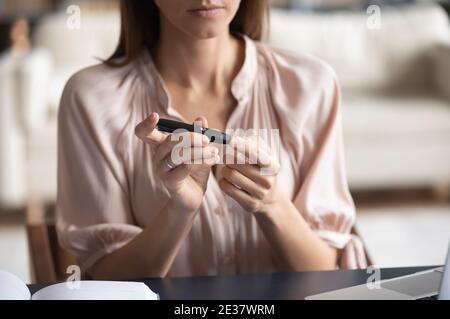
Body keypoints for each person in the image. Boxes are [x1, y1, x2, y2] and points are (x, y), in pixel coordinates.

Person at [56, 0, 367, 280]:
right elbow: (107, 280)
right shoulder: (91, 99)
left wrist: (272, 204)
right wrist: (179, 211)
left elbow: (325, 273)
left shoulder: (311, 85)